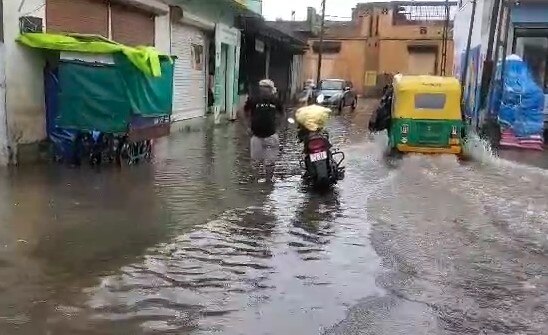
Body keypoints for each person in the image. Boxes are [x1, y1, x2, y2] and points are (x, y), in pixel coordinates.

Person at [244, 79, 284, 179]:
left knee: (270, 162)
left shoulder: (275, 100)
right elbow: (244, 112)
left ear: (271, 89)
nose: (264, 90)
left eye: (266, 88)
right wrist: (247, 126)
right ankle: (255, 184)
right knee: (255, 162)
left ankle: (268, 183)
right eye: (262, 88)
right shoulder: (254, 99)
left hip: (271, 135)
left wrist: (279, 127)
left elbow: (282, 114)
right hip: (256, 135)